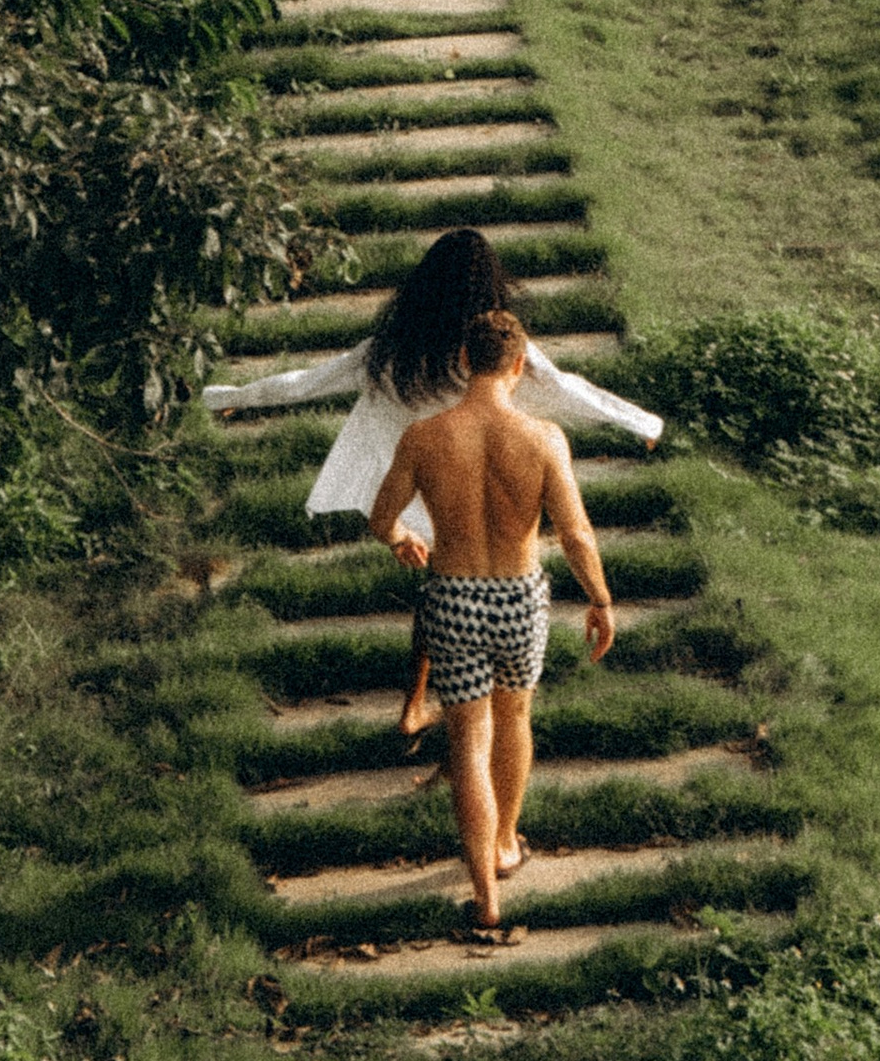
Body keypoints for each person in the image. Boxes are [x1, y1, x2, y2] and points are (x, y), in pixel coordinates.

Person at [204, 226, 659, 743]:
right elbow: (568, 389)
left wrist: (231, 396)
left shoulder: (390, 350)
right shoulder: (498, 349)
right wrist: (640, 421)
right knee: (463, 602)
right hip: (479, 485)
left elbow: (306, 381)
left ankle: (419, 705)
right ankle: (436, 712)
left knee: (442, 594)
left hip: (412, 490)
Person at [370, 305, 614, 933]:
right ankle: (506, 843)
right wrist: (600, 599)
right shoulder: (544, 438)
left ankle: (485, 897)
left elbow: (381, 517)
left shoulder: (424, 437)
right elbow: (576, 534)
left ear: (461, 361)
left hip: (452, 596)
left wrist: (400, 538)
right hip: (518, 597)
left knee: (468, 741)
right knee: (514, 718)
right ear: (519, 364)